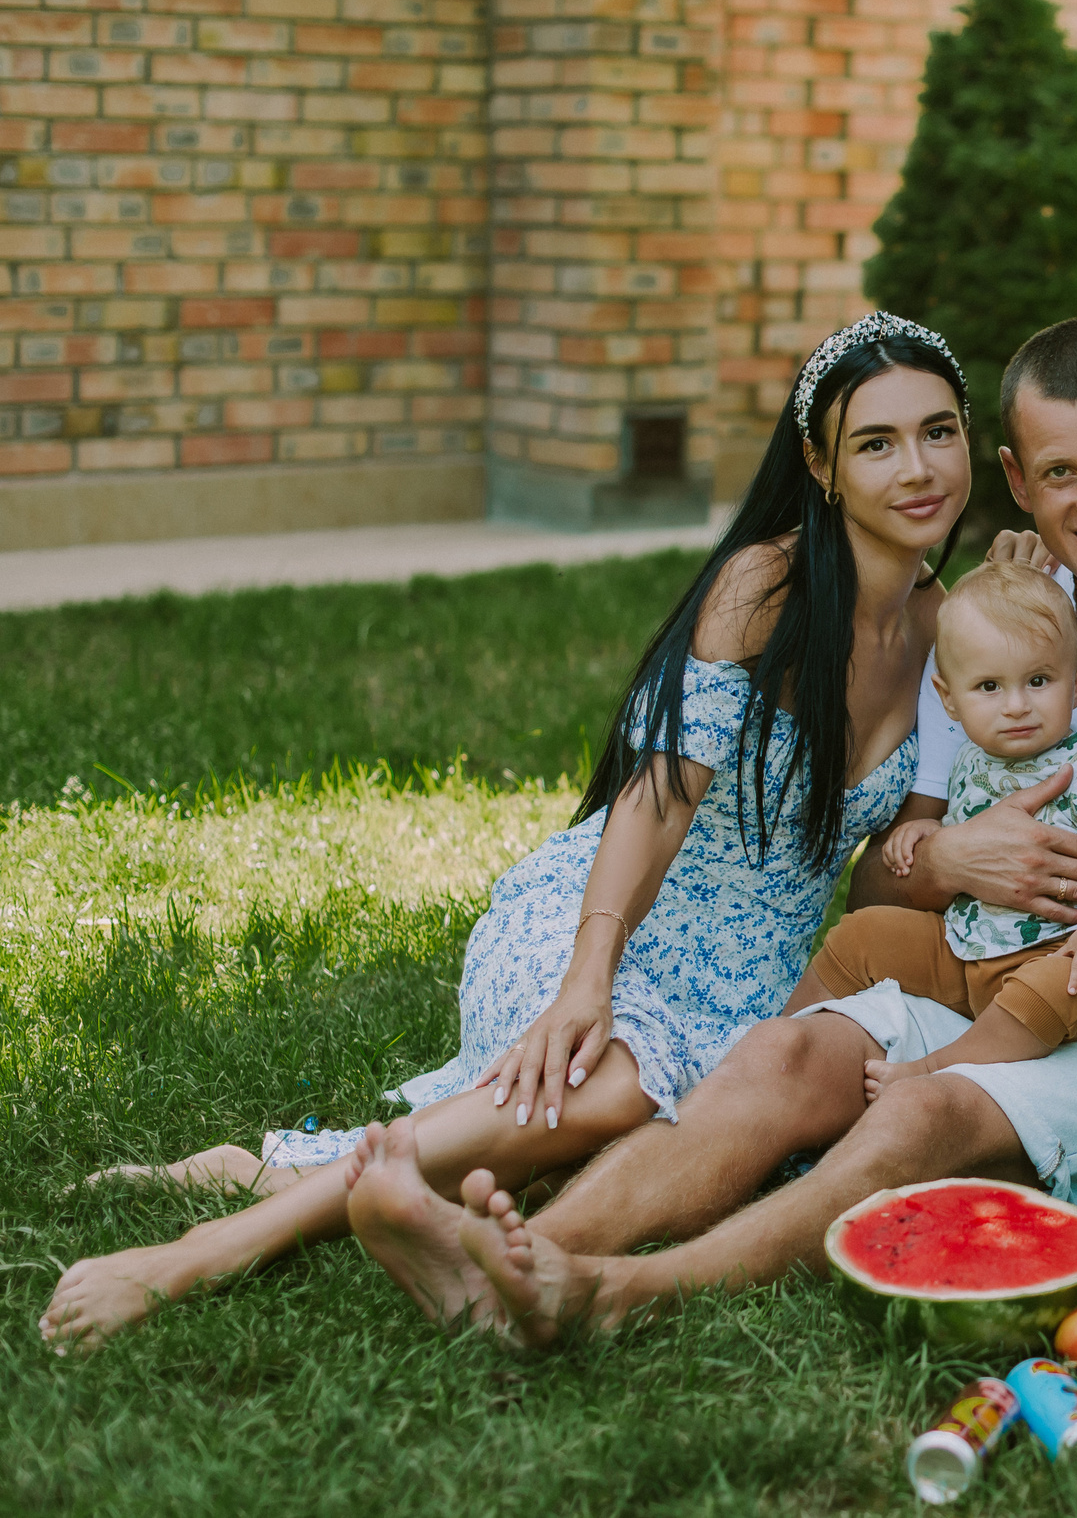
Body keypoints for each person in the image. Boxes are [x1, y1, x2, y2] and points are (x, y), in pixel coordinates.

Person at [342, 315, 1077, 1344]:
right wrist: (943, 858)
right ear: (1016, 480)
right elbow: (891, 849)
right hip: (992, 964)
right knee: (780, 1058)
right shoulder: (985, 625)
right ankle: (517, 1266)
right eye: (1062, 475)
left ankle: (612, 1292)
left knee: (912, 1113)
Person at [38, 314, 973, 1350]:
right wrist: (587, 978)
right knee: (611, 1086)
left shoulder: (953, 637)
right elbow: (652, 802)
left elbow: (888, 884)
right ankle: (201, 1255)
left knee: (632, 1136)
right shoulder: (767, 585)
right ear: (821, 465)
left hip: (759, 992)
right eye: (876, 442)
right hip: (610, 920)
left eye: (939, 432)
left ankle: (281, 1170)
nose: (917, 467)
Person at [803, 557, 1077, 1091]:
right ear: (949, 699)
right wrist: (927, 835)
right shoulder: (969, 762)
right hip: (966, 948)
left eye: (1038, 681)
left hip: (1074, 955)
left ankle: (932, 1071)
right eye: (989, 687)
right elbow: (962, 838)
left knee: (1055, 987)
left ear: (1075, 684)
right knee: (862, 935)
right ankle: (780, 1039)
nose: (1016, 706)